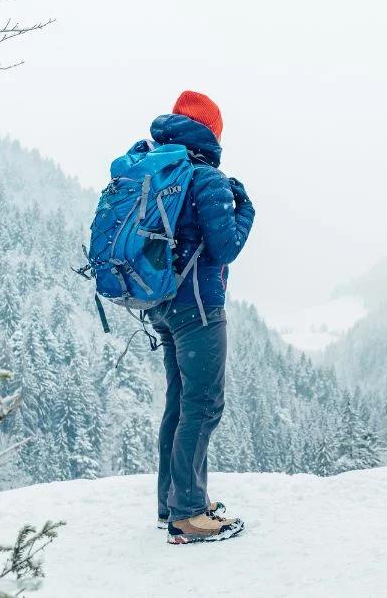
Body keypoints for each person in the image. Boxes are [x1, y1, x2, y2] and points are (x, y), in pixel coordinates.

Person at [146, 91, 255, 544]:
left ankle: (173, 503)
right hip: (198, 308)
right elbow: (225, 248)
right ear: (212, 131)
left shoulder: (157, 168)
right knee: (204, 404)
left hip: (163, 304)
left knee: (180, 402)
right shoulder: (206, 177)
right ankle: (188, 514)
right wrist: (245, 208)